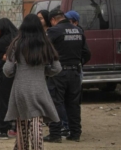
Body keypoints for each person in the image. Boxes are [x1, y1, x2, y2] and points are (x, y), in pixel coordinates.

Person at [4, 14, 62, 150]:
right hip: (39, 87)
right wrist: (43, 71)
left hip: (20, 88)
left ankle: (22, 146)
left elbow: (7, 70)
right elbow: (57, 68)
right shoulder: (46, 43)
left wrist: (18, 72)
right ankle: (38, 147)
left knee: (22, 121)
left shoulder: (16, 43)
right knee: (37, 119)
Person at [44, 10, 91, 143]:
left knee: (55, 102)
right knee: (73, 103)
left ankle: (55, 134)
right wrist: (78, 62)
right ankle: (75, 133)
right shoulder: (78, 30)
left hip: (58, 72)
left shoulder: (54, 31)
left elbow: (45, 50)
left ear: (53, 19)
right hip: (75, 71)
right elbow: (87, 52)